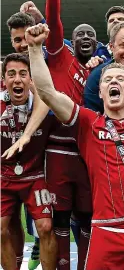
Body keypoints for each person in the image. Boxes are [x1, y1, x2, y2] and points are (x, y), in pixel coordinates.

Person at [26, 21, 124, 269]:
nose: (113, 81)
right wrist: (34, 49)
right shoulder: (87, 122)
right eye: (107, 80)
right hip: (106, 229)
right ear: (101, 92)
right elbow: (48, 92)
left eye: (120, 79)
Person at [45, 0, 97, 268]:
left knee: (88, 215)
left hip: (88, 152)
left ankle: (87, 264)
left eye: (91, 34)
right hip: (58, 151)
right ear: (70, 41)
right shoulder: (59, 57)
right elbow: (53, 17)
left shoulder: (99, 74)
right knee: (60, 217)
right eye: (80, 34)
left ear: (97, 42)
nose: (86, 38)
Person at [1, 53, 58, 270]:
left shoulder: (44, 106)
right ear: (4, 79)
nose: (17, 79)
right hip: (3, 177)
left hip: (35, 176)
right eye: (11, 74)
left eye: (23, 74)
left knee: (45, 226)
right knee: (0, 229)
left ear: (31, 80)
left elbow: (49, 97)